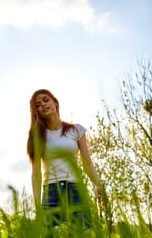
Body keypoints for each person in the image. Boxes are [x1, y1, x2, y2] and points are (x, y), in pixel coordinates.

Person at [27, 89, 101, 227]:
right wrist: (38, 207)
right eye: (37, 105)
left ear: (55, 102)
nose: (42, 104)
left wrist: (98, 184)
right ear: (36, 111)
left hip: (76, 191)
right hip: (51, 193)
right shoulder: (36, 135)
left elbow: (87, 163)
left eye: (45, 100)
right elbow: (36, 174)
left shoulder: (77, 130)